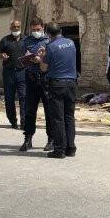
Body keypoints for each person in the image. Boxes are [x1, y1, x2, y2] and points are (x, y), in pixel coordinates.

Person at [36, 22, 79, 158]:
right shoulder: (71, 43)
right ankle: (70, 148)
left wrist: (41, 57)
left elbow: (43, 68)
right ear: (60, 31)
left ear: (48, 34)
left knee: (58, 118)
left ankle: (59, 149)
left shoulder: (50, 46)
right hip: (71, 83)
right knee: (69, 117)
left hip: (57, 84)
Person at [19, 17, 51, 153]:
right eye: (33, 30)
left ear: (43, 28)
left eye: (38, 29)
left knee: (50, 111)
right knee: (29, 111)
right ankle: (28, 139)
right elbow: (22, 58)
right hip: (31, 78)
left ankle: (51, 139)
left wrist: (41, 59)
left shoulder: (49, 41)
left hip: (45, 79)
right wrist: (29, 59)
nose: (36, 32)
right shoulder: (27, 41)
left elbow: (52, 60)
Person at [0, 20, 27, 130]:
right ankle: (13, 121)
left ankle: (24, 122)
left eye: (18, 27)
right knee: (9, 99)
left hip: (22, 72)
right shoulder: (5, 40)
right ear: (10, 28)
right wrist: (2, 55)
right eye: (14, 27)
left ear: (21, 27)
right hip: (8, 73)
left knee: (24, 98)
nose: (16, 29)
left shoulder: (26, 40)